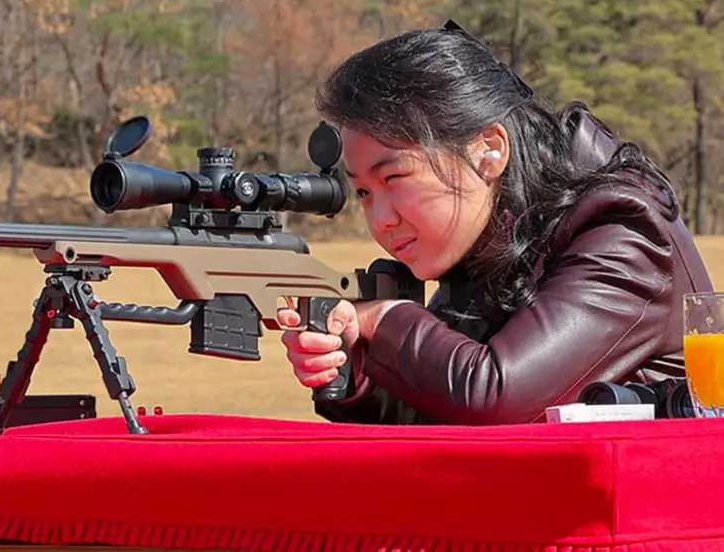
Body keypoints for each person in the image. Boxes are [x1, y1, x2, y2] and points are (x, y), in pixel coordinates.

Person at [277, 22, 714, 425]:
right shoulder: (493, 234)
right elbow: (437, 418)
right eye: (364, 193)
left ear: (489, 149)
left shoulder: (620, 228)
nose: (381, 220)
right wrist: (358, 369)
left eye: (395, 178)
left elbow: (496, 397)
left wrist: (385, 319)